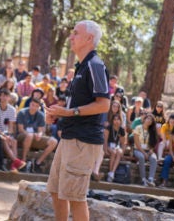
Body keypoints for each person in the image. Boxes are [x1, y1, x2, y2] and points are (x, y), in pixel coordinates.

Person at [46, 20, 110, 221]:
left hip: (83, 141)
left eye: (75, 33)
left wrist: (69, 112)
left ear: (89, 38)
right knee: (56, 191)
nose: (71, 37)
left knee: (75, 198)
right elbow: (78, 106)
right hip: (68, 137)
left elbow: (103, 105)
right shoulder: (81, 67)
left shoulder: (95, 66)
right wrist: (59, 112)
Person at [16, 98, 58, 173]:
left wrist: (39, 135)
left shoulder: (41, 115)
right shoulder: (22, 113)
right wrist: (32, 134)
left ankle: (37, 163)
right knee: (29, 136)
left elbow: (40, 130)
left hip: (34, 137)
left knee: (54, 141)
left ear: (38, 107)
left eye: (36, 106)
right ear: (29, 104)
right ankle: (23, 162)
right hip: (22, 136)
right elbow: (20, 129)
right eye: (32, 104)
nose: (34, 107)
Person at [0, 88, 26, 172]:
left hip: (5, 132)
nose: (4, 98)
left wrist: (9, 135)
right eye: (3, 95)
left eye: (6, 96)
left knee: (13, 140)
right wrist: (3, 134)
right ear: (0, 97)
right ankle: (16, 161)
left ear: (9, 98)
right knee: (4, 139)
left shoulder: (12, 109)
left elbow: (11, 126)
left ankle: (14, 165)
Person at [133, 113, 158, 187]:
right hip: (138, 149)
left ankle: (150, 179)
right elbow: (137, 143)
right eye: (148, 118)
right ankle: (143, 179)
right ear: (144, 119)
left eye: (151, 120)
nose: (149, 120)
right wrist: (144, 153)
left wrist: (151, 151)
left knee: (154, 158)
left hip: (148, 150)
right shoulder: (138, 128)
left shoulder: (153, 130)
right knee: (141, 157)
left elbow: (153, 143)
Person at [104, 114, 126, 182]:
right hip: (108, 145)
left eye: (118, 119)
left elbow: (123, 143)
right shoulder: (109, 127)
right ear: (112, 120)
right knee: (113, 153)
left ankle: (112, 173)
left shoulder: (121, 129)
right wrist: (105, 149)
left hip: (116, 146)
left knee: (119, 152)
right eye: (115, 119)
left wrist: (122, 151)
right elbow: (105, 140)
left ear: (120, 120)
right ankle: (110, 172)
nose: (116, 121)